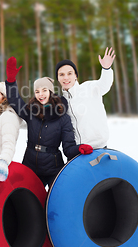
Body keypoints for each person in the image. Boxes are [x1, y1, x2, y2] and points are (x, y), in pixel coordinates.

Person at [5, 56, 93, 187]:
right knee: (28, 201)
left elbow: (68, 148)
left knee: (54, 200)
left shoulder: (63, 117)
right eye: (37, 92)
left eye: (44, 90)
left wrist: (79, 149)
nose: (41, 95)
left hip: (53, 168)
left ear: (51, 91)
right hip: (30, 165)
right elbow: (14, 100)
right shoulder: (31, 112)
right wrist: (11, 81)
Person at [55, 47, 116, 149]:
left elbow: (104, 85)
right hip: (77, 151)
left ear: (75, 76)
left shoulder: (89, 88)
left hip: (99, 147)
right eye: (61, 74)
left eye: (69, 73)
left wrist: (106, 69)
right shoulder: (60, 102)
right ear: (58, 78)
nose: (66, 78)